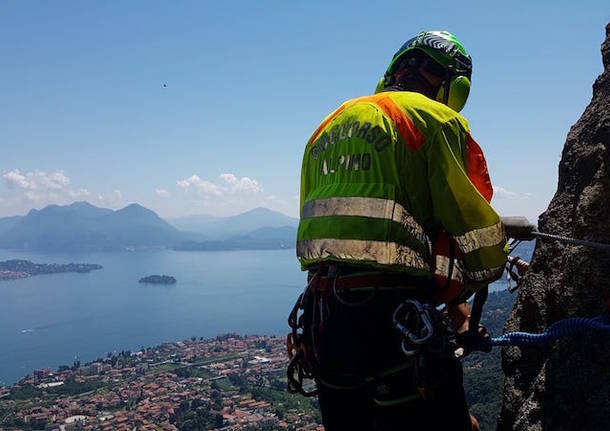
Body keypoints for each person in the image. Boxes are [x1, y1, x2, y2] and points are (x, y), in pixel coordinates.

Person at [289, 30, 507, 430]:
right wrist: (484, 275)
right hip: (395, 324)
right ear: (454, 84)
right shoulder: (434, 120)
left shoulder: (326, 127)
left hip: (323, 320)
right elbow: (471, 229)